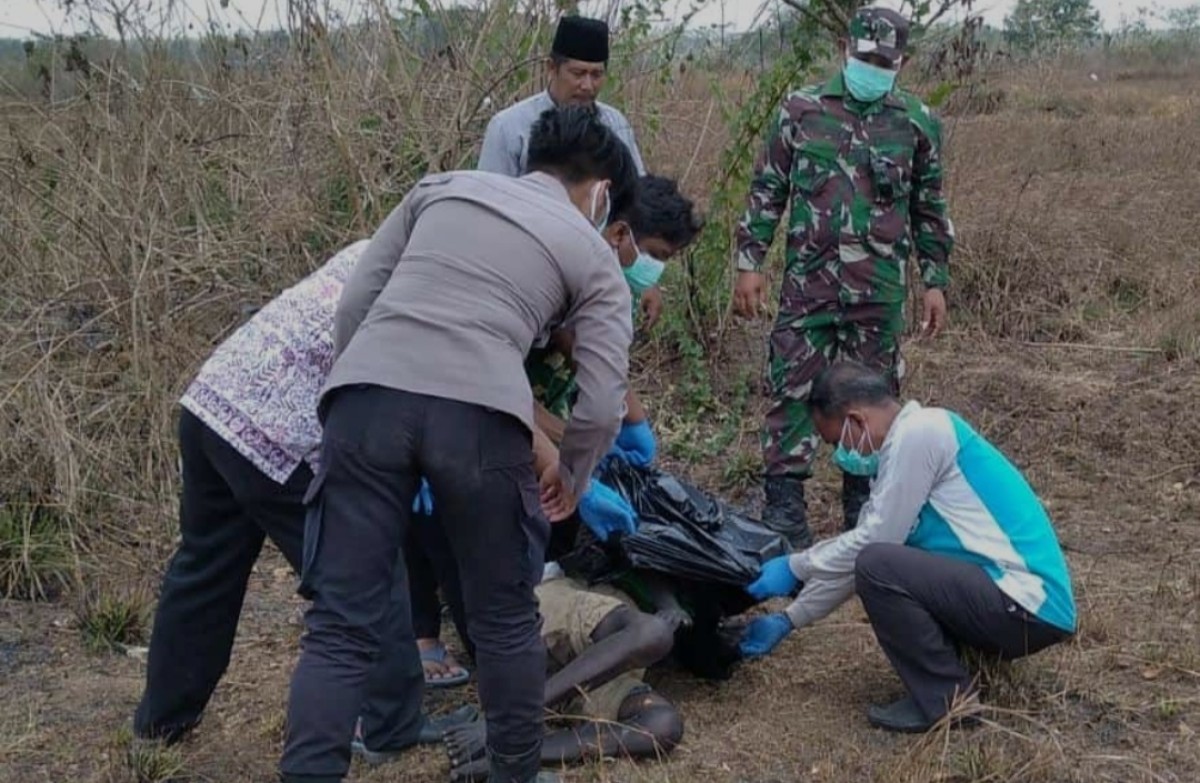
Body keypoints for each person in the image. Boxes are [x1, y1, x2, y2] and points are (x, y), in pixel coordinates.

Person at [279, 106, 638, 783]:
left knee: (340, 627)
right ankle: (514, 773)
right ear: (602, 193)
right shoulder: (592, 250)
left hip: (364, 401)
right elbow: (601, 402)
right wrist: (573, 472)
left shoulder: (439, 188)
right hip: (480, 418)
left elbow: (357, 302)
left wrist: (372, 396)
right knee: (503, 619)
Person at [131, 240, 476, 750]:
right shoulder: (431, 290)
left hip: (213, 401)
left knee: (206, 568)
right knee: (369, 567)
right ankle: (388, 726)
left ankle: (160, 724)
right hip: (280, 434)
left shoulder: (381, 248)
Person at [409, 174, 703, 689]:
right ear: (619, 233)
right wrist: (568, 447)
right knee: (440, 516)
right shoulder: (551, 269)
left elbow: (596, 361)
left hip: (508, 411)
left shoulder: (605, 280)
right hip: (467, 403)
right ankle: (425, 635)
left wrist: (624, 423)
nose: (655, 268)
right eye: (653, 252)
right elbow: (499, 386)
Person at [738, 361, 1077, 733]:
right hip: (1013, 603)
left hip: (1026, 602)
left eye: (836, 441)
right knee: (877, 562)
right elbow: (862, 555)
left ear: (857, 420)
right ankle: (949, 684)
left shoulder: (922, 431)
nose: (839, 455)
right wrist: (790, 619)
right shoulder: (897, 459)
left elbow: (874, 550)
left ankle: (948, 702)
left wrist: (795, 566)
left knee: (878, 563)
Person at [731, 6, 955, 549]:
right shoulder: (802, 110)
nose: (873, 67)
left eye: (885, 60)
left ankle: (865, 508)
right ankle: (785, 511)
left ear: (901, 61)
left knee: (873, 397)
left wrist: (934, 279)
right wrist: (749, 262)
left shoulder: (916, 122)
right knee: (791, 390)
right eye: (865, 57)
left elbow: (929, 208)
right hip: (809, 287)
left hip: (877, 292)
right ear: (845, 50)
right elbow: (768, 190)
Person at [477, 14, 665, 330]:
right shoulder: (510, 128)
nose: (587, 85)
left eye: (597, 74)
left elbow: (634, 208)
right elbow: (490, 218)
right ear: (552, 68)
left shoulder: (616, 125)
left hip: (597, 286)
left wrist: (645, 278)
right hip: (529, 285)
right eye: (577, 73)